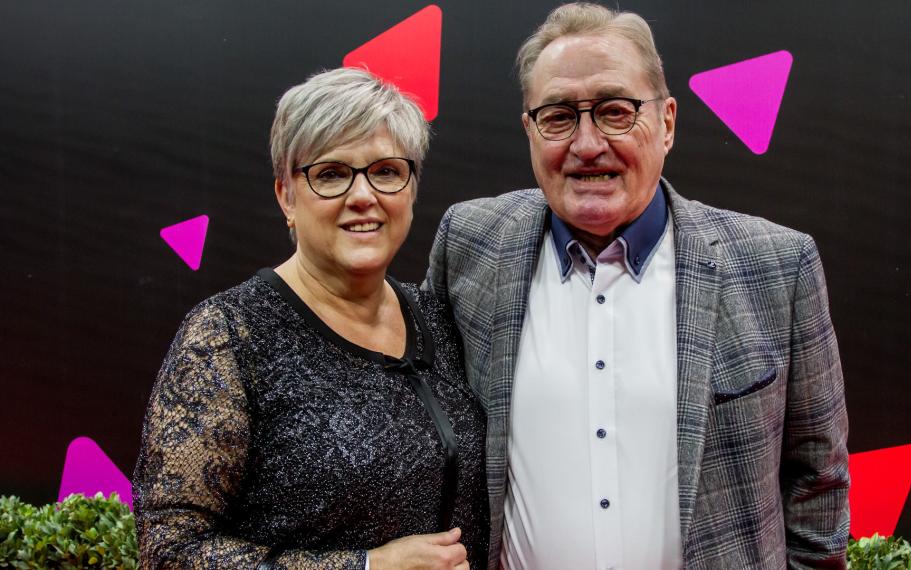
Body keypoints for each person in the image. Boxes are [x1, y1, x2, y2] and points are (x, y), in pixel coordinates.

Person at [424, 3, 849, 568]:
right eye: (558, 117)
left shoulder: (776, 266)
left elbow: (818, 484)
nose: (587, 144)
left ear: (667, 123)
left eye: (615, 112)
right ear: (529, 130)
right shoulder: (470, 245)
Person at [133, 67, 487, 570]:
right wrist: (364, 567)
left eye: (387, 171)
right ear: (286, 196)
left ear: (411, 188)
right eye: (331, 174)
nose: (363, 195)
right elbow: (169, 551)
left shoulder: (440, 318)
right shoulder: (229, 336)